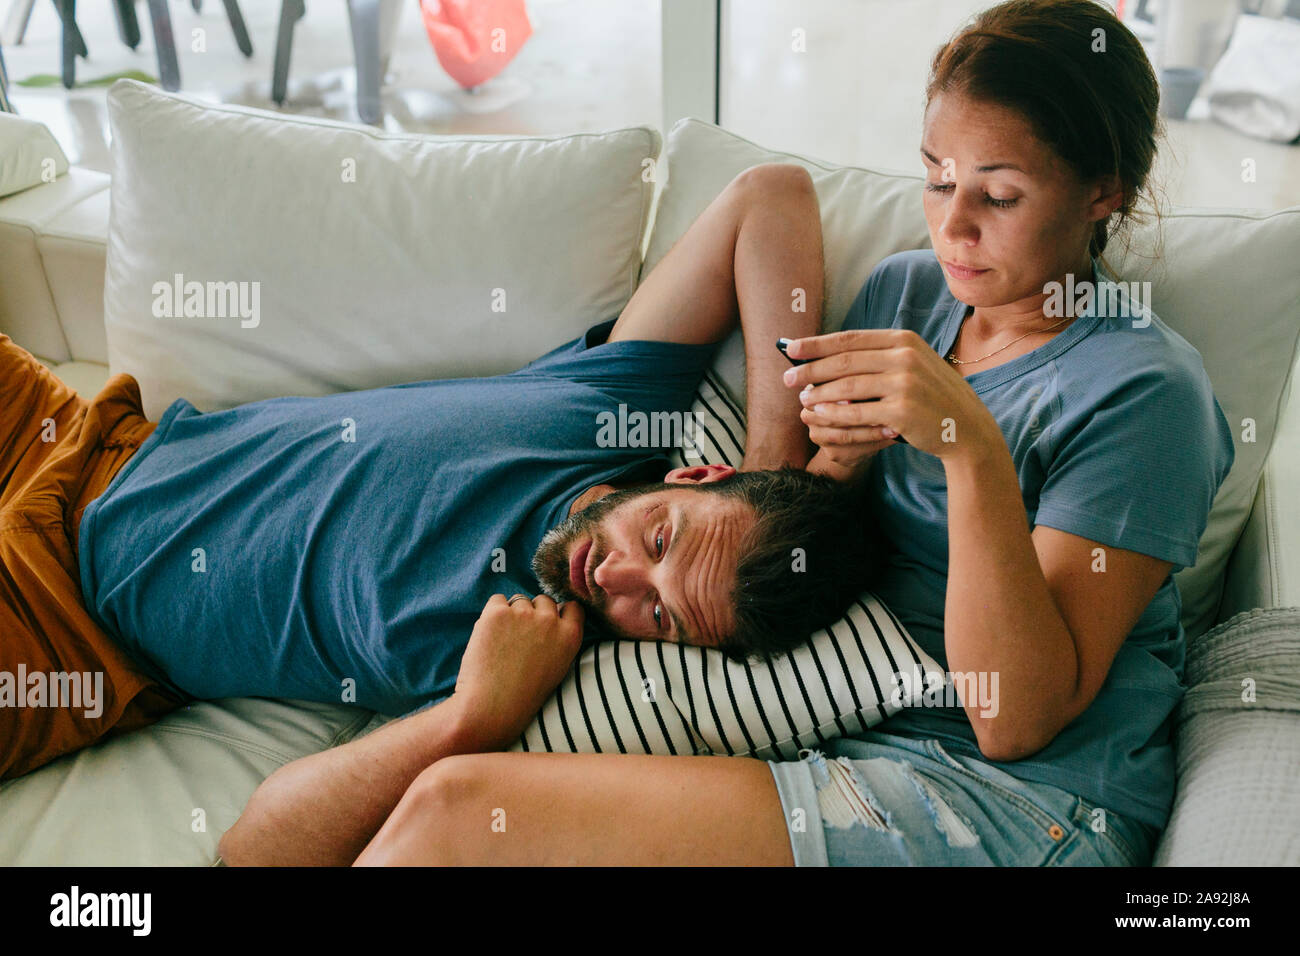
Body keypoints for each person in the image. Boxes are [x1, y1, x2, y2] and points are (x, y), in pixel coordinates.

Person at [295, 0, 1232, 868]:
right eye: (937, 180)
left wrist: (969, 447)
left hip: (1016, 803)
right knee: (443, 802)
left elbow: (1017, 717)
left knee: (459, 810)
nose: (954, 227)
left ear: (1102, 191)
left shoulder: (1144, 395)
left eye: (999, 196)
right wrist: (808, 472)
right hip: (843, 722)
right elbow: (813, 537)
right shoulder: (908, 299)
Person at [0, 161, 882, 783]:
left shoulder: (524, 665)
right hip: (81, 438)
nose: (615, 576)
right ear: (695, 478)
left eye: (657, 612)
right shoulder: (611, 406)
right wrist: (780, 474)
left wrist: (474, 716)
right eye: (656, 540)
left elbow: (264, 844)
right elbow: (771, 197)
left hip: (66, 628)